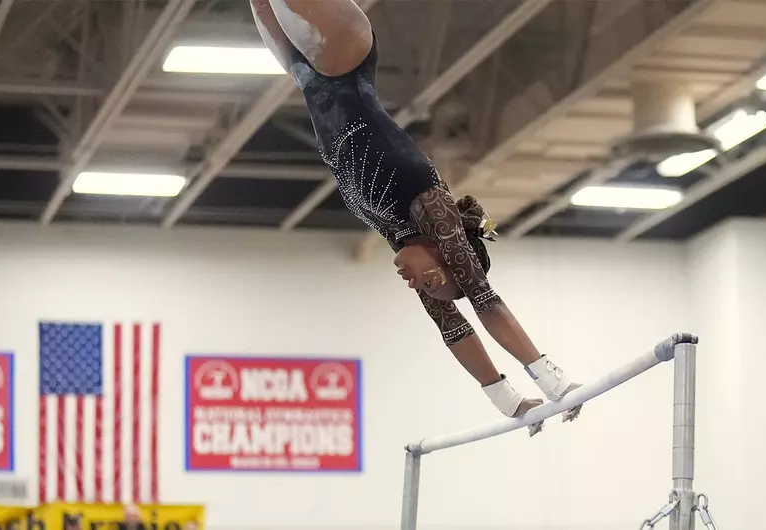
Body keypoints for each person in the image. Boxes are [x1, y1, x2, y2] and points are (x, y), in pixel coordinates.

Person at [249, 0, 582, 434]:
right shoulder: (430, 207)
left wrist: (511, 402)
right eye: (429, 281)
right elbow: (486, 302)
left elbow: (452, 329)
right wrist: (556, 385)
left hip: (310, 76)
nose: (413, 283)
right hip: (345, 57)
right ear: (445, 253)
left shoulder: (399, 232)